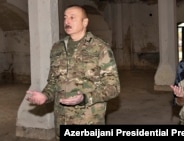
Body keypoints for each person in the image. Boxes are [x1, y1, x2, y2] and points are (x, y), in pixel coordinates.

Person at [26, 5, 120, 139]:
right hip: (62, 122)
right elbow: (53, 82)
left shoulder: (100, 48)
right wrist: (45, 96)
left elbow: (113, 88)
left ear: (85, 22)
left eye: (72, 18)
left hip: (88, 121)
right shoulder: (57, 48)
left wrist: (85, 98)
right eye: (65, 18)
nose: (67, 21)